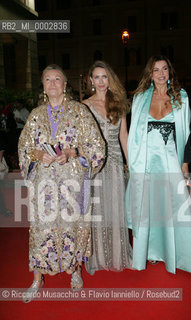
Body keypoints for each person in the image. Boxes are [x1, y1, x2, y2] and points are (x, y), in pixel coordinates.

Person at [18, 64, 105, 302]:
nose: (53, 83)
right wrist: (37, 155)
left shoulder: (80, 112)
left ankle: (74, 270)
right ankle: (37, 278)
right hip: (44, 184)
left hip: (72, 183)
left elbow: (97, 147)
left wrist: (72, 152)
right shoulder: (35, 115)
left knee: (73, 227)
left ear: (66, 85)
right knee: (40, 229)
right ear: (43, 86)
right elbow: (24, 147)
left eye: (58, 79)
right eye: (48, 80)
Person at [126, 55, 191, 274]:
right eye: (156, 70)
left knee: (177, 205)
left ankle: (183, 254)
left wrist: (185, 164)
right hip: (146, 161)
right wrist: (133, 164)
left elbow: (187, 134)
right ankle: (151, 252)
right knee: (149, 207)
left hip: (171, 159)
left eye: (164, 69)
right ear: (150, 75)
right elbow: (134, 132)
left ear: (170, 72)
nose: (161, 74)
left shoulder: (181, 97)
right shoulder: (141, 98)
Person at [82, 60, 132, 274]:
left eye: (105, 76)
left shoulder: (119, 103)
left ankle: (118, 254)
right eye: (97, 77)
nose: (101, 81)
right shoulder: (84, 105)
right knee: (97, 210)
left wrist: (130, 163)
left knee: (115, 207)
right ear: (91, 81)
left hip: (114, 163)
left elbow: (124, 136)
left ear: (109, 79)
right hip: (93, 165)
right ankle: (98, 257)